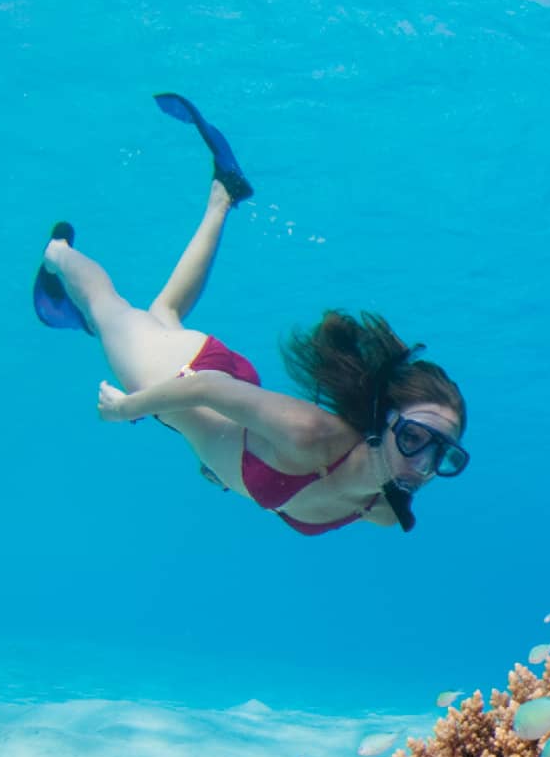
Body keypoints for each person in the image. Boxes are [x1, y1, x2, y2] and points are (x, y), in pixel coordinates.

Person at [32, 94, 468, 534]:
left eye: (444, 454)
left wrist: (222, 471)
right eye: (414, 438)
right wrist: (126, 408)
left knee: (163, 314)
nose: (424, 465)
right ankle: (59, 254)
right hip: (183, 376)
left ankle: (224, 195)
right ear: (383, 421)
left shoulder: (385, 509)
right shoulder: (311, 436)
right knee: (110, 310)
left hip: (230, 405)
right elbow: (203, 388)